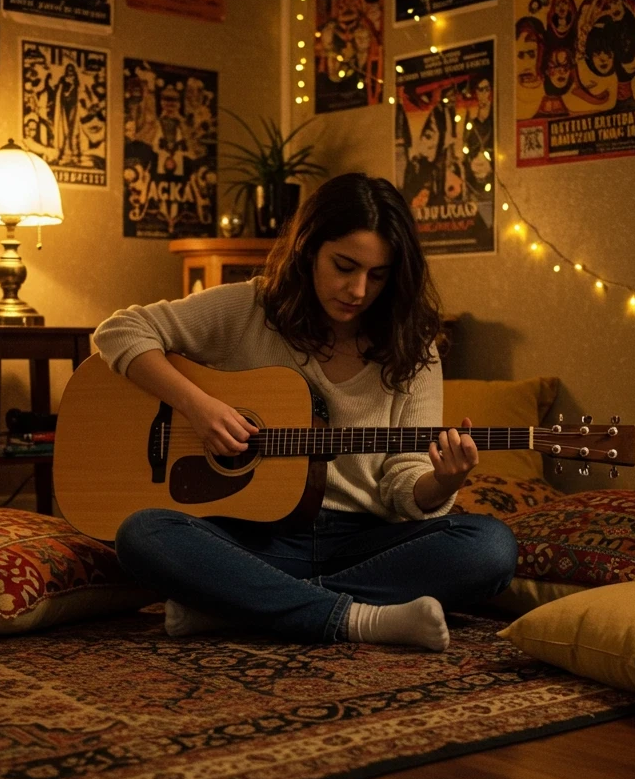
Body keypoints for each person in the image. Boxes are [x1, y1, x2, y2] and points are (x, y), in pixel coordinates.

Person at [94, 174, 518, 651]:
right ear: (308, 248)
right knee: (142, 533)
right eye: (344, 266)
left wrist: (444, 481)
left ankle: (237, 605)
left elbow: (404, 481)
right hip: (255, 539)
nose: (358, 290)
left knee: (491, 547)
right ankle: (361, 619)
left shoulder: (412, 345)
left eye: (377, 275)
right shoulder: (250, 307)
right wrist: (198, 406)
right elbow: (121, 331)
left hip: (363, 544)